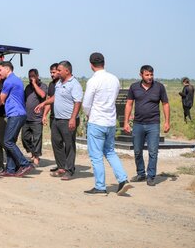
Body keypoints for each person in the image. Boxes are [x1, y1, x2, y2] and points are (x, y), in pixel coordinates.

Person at [81, 52, 130, 195]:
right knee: (110, 151)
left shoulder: (93, 81)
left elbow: (86, 104)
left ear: (91, 65)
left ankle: (100, 186)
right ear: (104, 63)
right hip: (110, 121)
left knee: (96, 155)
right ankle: (123, 179)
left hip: (97, 121)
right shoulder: (114, 79)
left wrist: (88, 114)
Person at [123, 65, 170, 186]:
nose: (150, 77)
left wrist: (167, 122)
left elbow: (165, 104)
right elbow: (129, 104)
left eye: (151, 74)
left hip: (153, 124)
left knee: (153, 151)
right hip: (138, 124)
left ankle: (151, 176)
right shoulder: (134, 87)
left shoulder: (159, 87)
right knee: (137, 151)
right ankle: (141, 174)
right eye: (147, 75)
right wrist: (126, 122)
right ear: (141, 75)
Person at [36, 61, 82, 181]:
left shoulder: (74, 84)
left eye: (59, 70)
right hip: (57, 119)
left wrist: (73, 118)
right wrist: (44, 103)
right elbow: (56, 97)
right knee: (56, 143)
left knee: (69, 145)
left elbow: (77, 102)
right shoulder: (59, 83)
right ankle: (61, 168)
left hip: (68, 120)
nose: (57, 72)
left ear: (67, 71)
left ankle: (69, 170)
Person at [0, 61, 33, 177]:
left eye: (0, 70)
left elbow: (1, 100)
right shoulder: (16, 79)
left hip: (15, 114)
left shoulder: (9, 81)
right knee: (10, 141)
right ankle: (10, 169)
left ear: (7, 69)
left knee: (7, 141)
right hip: (18, 114)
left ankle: (25, 163)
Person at [22, 68, 47, 166]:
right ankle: (33, 152)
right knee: (25, 138)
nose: (31, 78)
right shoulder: (28, 87)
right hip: (27, 117)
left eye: (33, 76)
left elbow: (43, 95)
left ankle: (36, 157)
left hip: (37, 118)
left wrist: (34, 84)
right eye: (29, 76)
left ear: (37, 76)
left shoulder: (42, 86)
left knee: (37, 139)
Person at [40, 63, 61, 173]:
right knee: (56, 142)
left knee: (65, 143)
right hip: (53, 117)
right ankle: (60, 164)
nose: (52, 74)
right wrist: (44, 115)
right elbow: (49, 101)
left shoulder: (63, 84)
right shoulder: (51, 85)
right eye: (51, 73)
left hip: (64, 117)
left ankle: (68, 166)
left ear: (59, 71)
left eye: (54, 72)